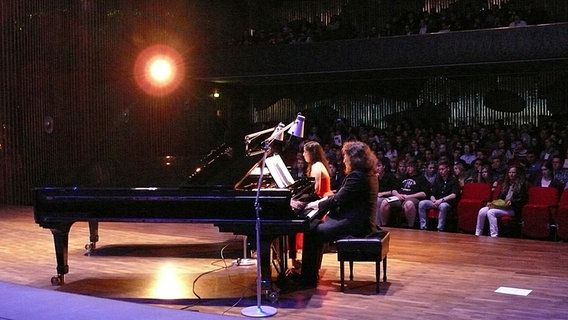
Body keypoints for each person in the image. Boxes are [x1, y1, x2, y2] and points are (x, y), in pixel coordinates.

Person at [291, 141, 379, 287]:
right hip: (359, 220)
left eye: (346, 156)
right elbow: (342, 195)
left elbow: (338, 199)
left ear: (354, 158)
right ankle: (311, 273)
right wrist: (323, 202)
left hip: (355, 225)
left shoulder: (357, 176)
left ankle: (308, 279)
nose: (344, 160)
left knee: (312, 231)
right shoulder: (367, 174)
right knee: (313, 227)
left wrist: (316, 204)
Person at [289, 141, 332, 269]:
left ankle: (295, 258)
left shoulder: (317, 167)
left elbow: (316, 191)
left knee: (294, 218)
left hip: (321, 203)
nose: (303, 154)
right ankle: (294, 258)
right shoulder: (318, 165)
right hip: (322, 200)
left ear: (311, 153)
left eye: (305, 152)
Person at [475, 164, 528, 237]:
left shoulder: (522, 185)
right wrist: (493, 203)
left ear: (517, 174)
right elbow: (500, 198)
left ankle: (494, 235)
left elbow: (522, 199)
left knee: (491, 212)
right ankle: (478, 234)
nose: (511, 174)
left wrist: (512, 202)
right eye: (510, 172)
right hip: (502, 206)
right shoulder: (505, 184)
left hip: (512, 208)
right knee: (482, 211)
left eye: (513, 172)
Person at [379, 160, 429, 228]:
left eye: (410, 166)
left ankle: (410, 227)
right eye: (407, 166)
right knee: (384, 202)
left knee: (409, 204)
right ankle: (384, 226)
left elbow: (424, 193)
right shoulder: (403, 176)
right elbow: (393, 190)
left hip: (412, 198)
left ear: (415, 167)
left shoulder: (421, 178)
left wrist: (408, 196)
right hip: (399, 197)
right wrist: (398, 195)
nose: (408, 168)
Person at [418, 160, 460, 231]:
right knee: (422, 203)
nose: (441, 171)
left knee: (443, 206)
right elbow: (432, 194)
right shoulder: (437, 180)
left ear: (448, 169)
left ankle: (440, 228)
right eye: (439, 169)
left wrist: (441, 200)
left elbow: (454, 195)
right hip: (436, 201)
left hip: (446, 202)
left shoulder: (453, 180)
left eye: (442, 169)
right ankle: (423, 226)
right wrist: (433, 200)